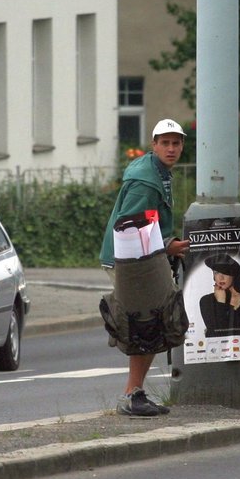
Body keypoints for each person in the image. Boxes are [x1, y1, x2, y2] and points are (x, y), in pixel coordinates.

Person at [99, 119, 190, 417]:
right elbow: (129, 224)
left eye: (176, 143)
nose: (171, 148)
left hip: (143, 258)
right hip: (133, 262)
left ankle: (134, 393)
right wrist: (168, 244)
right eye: (165, 143)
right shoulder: (145, 180)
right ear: (154, 145)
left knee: (155, 321)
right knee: (146, 324)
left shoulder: (158, 172)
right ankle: (131, 395)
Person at [199, 254, 240, 337]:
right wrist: (220, 302)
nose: (221, 277)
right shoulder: (206, 300)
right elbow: (217, 333)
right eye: (216, 272)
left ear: (234, 275)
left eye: (225, 272)